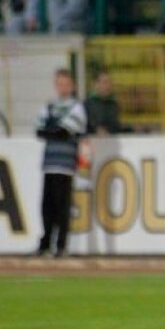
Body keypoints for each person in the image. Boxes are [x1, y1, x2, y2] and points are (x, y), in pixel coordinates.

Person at [36, 69, 87, 257]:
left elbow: (63, 131)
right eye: (59, 83)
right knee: (46, 206)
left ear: (72, 86)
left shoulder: (76, 107)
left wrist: (53, 129)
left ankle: (61, 245)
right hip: (49, 163)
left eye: (66, 84)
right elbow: (40, 130)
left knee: (62, 206)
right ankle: (45, 243)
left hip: (65, 164)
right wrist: (55, 129)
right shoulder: (50, 106)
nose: (62, 87)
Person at [85, 70, 130, 135]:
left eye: (110, 82)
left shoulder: (113, 104)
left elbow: (116, 127)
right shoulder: (88, 104)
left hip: (112, 141)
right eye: (105, 82)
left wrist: (130, 128)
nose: (108, 86)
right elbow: (85, 126)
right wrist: (96, 129)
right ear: (96, 84)